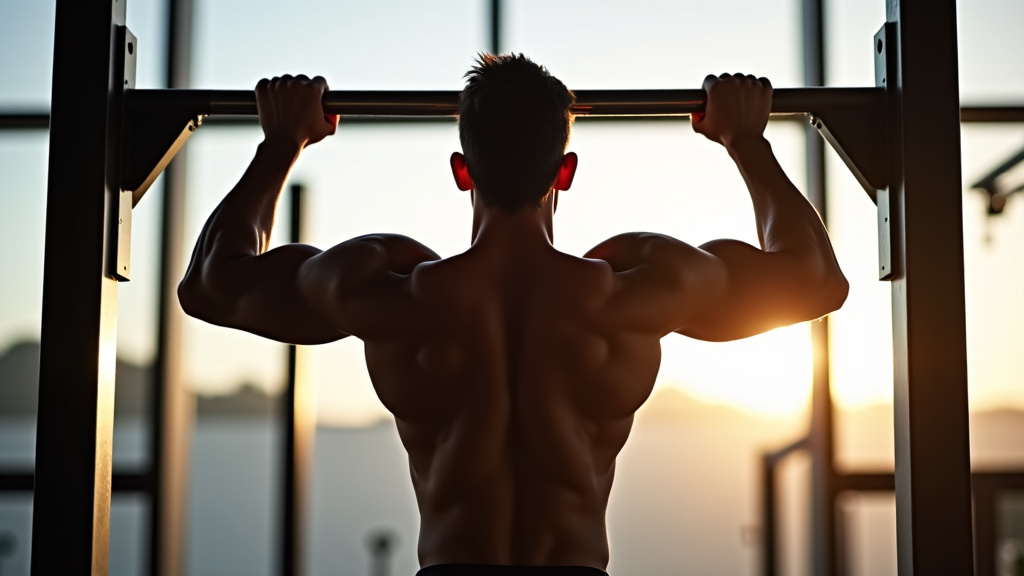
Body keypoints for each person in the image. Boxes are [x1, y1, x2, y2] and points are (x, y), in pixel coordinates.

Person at [178, 54, 849, 576]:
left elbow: (210, 284)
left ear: (461, 171)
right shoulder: (636, 290)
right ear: (565, 171)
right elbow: (816, 280)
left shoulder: (388, 289)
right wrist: (746, 141)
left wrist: (280, 144)